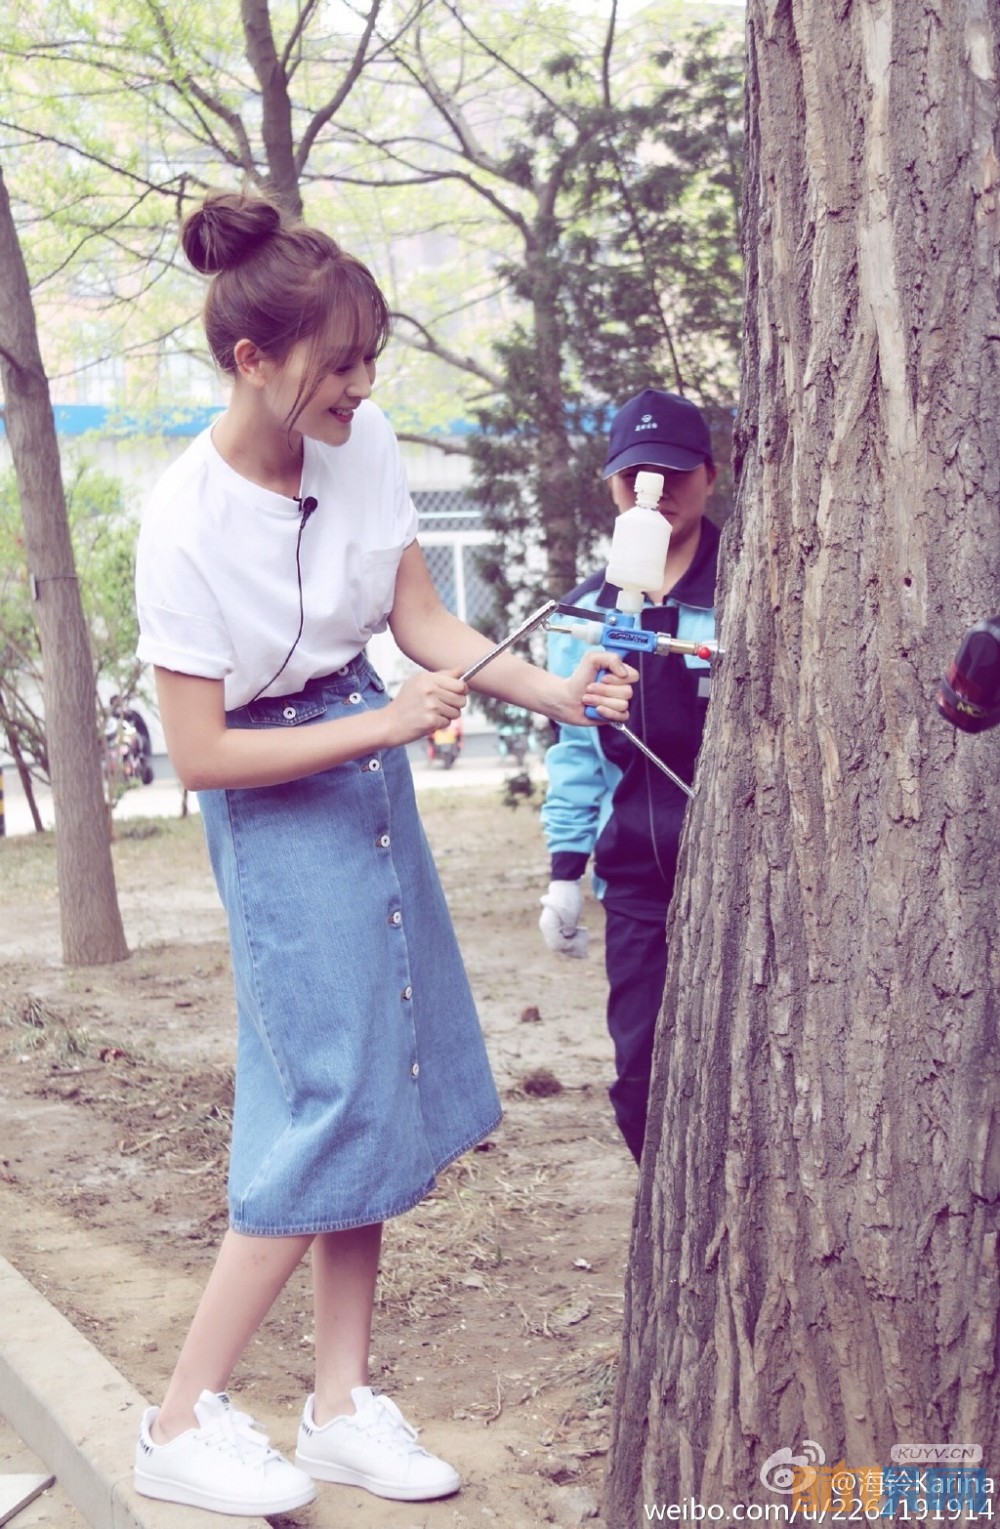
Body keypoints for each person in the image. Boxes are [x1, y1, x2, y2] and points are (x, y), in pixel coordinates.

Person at [131, 189, 635, 1520]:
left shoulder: (365, 447)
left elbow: (421, 622)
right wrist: (383, 723)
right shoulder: (182, 518)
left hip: (366, 769)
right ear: (254, 359)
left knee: (375, 1081)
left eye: (370, 358)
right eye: (340, 364)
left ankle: (342, 1403)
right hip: (275, 794)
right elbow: (200, 754)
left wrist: (554, 693)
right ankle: (177, 1419)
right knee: (332, 1098)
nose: (363, 386)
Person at [539, 389, 720, 1164]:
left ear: (711, 474)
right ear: (614, 484)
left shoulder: (750, 591)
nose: (659, 489)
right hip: (638, 882)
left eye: (676, 471)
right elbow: (576, 751)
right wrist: (564, 872)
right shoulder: (585, 613)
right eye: (638, 475)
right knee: (641, 1073)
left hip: (740, 874)